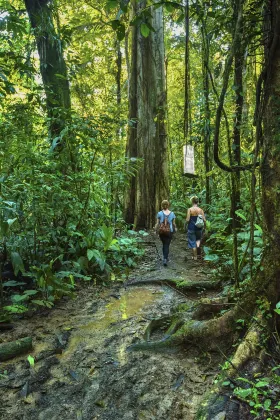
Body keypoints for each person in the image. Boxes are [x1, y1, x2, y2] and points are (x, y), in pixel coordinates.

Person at [155, 200, 176, 266]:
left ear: (162, 205)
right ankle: (165, 258)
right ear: (168, 205)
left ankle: (165, 258)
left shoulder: (159, 213)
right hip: (169, 231)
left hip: (161, 232)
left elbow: (157, 223)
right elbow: (174, 224)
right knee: (167, 244)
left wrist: (155, 230)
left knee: (164, 244)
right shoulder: (172, 214)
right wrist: (175, 229)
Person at [186, 196, 206, 260]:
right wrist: (205, 227)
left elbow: (188, 219)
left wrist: (185, 225)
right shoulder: (201, 210)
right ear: (197, 202)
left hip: (191, 228)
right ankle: (198, 255)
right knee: (198, 240)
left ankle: (195, 257)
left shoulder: (190, 209)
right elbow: (204, 220)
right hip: (199, 228)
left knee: (192, 242)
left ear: (192, 201)